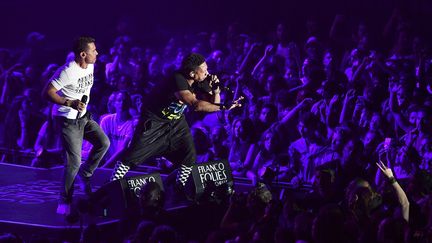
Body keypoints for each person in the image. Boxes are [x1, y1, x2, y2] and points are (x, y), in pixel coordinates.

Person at [110, 53, 242, 195]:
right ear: (192, 73)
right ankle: (111, 186)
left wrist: (216, 91)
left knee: (189, 156)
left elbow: (213, 105)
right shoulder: (177, 79)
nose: (207, 73)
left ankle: (179, 189)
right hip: (154, 120)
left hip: (176, 122)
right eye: (204, 70)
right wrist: (224, 107)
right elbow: (196, 105)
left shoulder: (200, 79)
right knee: (132, 156)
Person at [42, 36, 110, 215]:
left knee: (104, 143)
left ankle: (85, 174)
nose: (97, 53)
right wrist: (68, 102)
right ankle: (64, 200)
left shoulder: (92, 66)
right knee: (73, 162)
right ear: (82, 54)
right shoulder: (67, 71)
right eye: (93, 50)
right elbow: (47, 92)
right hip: (67, 120)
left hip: (84, 117)